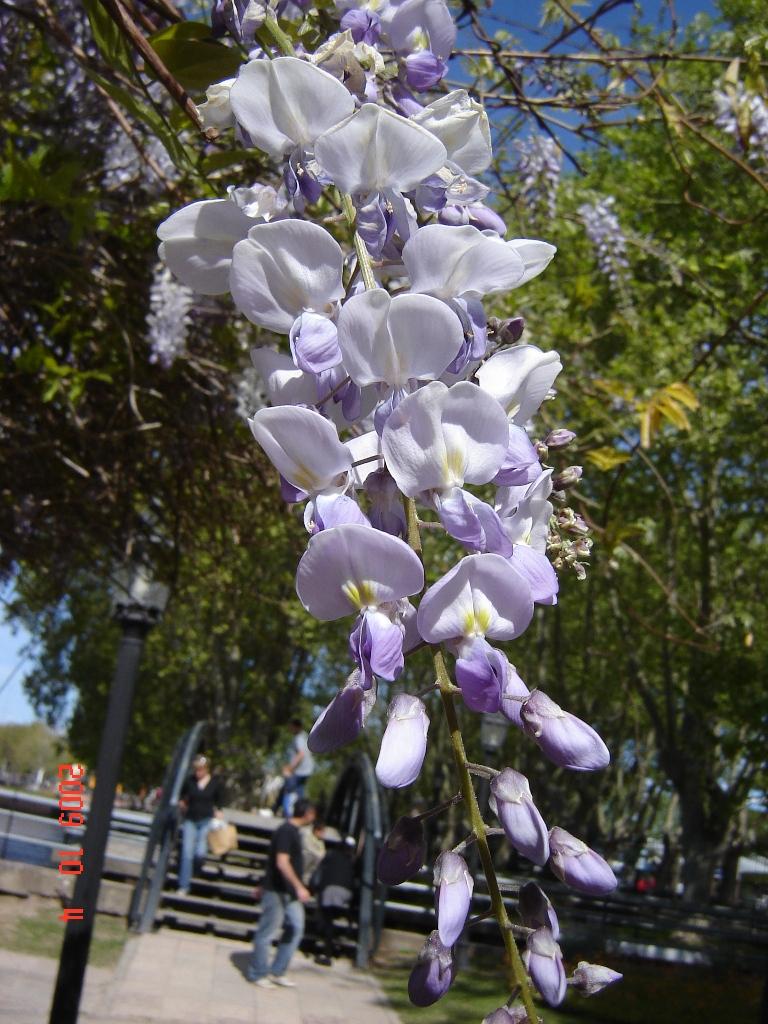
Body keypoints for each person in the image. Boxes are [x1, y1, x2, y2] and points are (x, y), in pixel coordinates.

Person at [247, 798, 317, 988]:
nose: (314, 817)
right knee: (267, 932)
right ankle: (258, 972)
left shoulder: (293, 832)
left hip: (289, 892)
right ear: (307, 813)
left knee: (296, 928)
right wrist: (299, 886)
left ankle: (278, 971)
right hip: (278, 890)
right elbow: (281, 862)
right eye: (313, 813)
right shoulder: (286, 831)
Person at [177, 754, 225, 895]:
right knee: (187, 852)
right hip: (191, 818)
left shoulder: (214, 783)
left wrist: (219, 811)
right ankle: (184, 885)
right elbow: (182, 795)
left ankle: (196, 870)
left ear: (206, 770)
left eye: (201, 770)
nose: (198, 772)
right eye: (197, 769)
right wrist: (182, 803)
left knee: (200, 852)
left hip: (206, 819)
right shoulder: (190, 781)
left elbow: (220, 800)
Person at [311, 836, 356, 966]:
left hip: (330, 889)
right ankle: (343, 933)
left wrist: (314, 887)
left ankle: (327, 953)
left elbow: (319, 873)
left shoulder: (330, 855)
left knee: (328, 920)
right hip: (346, 893)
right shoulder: (352, 861)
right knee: (335, 915)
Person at [281, 719, 314, 817]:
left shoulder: (298, 738)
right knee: (299, 792)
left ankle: (288, 814)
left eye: (291, 727)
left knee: (289, 790)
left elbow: (301, 754)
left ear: (296, 726)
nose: (290, 729)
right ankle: (300, 813)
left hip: (299, 770)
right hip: (307, 770)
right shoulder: (305, 736)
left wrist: (290, 768)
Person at [301, 818, 326, 887]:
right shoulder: (308, 839)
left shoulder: (320, 841)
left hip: (312, 872)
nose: (323, 834)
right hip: (305, 870)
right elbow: (311, 851)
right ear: (316, 831)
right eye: (322, 831)